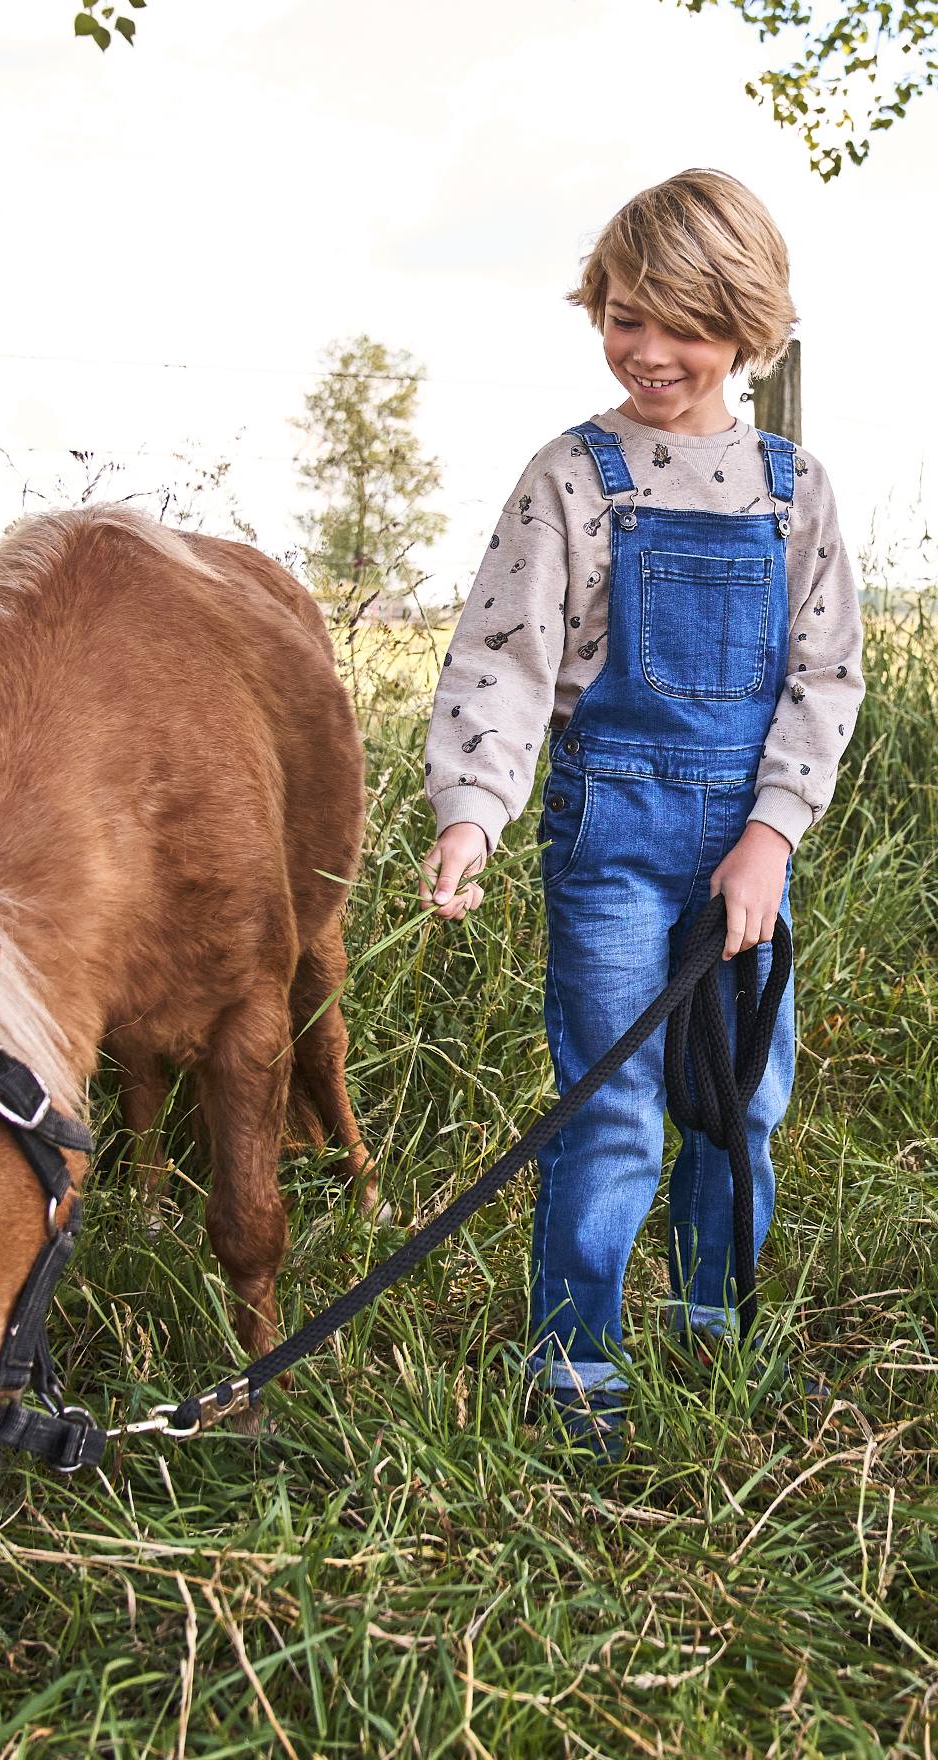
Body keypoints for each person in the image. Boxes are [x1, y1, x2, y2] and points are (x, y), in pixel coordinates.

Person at [418, 168, 865, 1455]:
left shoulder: (795, 490)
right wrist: (473, 812)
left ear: (747, 325)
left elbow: (825, 678)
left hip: (746, 850)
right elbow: (502, 658)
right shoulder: (574, 474)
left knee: (738, 1100)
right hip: (609, 842)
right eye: (624, 315)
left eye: (683, 323)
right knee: (609, 1102)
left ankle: (716, 1316)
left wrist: (769, 837)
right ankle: (577, 1352)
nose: (649, 350)